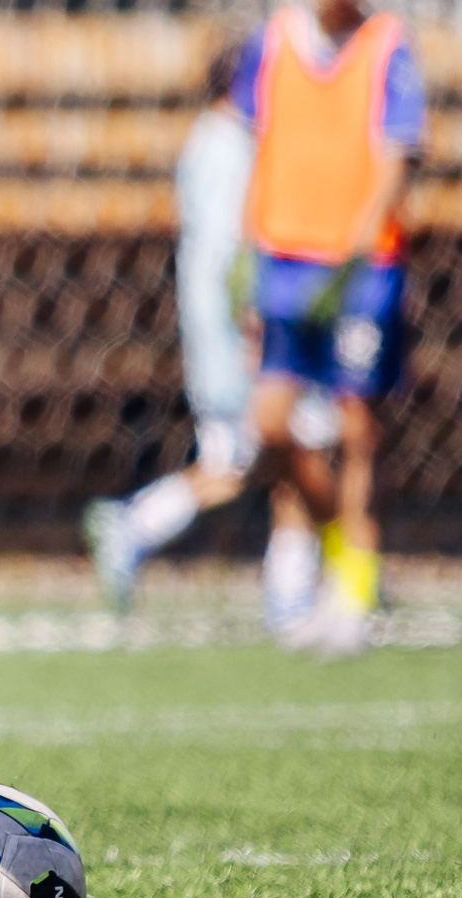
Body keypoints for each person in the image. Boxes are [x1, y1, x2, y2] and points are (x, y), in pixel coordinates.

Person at [81, 43, 340, 630]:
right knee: (261, 455)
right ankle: (138, 526)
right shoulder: (231, 147)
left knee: (289, 452)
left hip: (229, 327)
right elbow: (234, 250)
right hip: (245, 331)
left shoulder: (212, 141)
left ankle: (290, 587)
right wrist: (253, 322)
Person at [234, 0, 425, 656]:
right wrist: (244, 256)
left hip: (360, 265)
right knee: (273, 420)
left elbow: (398, 149)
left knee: (355, 427)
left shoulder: (386, 46)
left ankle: (350, 584)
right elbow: (255, 143)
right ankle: (334, 550)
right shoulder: (273, 43)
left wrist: (357, 237)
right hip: (282, 259)